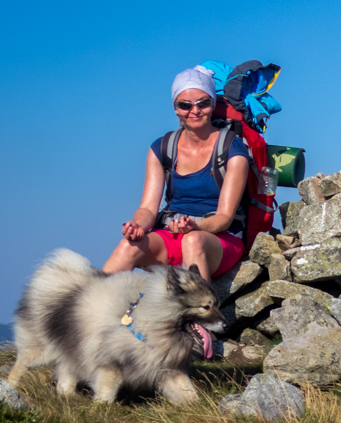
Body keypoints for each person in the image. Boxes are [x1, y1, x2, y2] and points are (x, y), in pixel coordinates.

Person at [103, 67, 249, 281]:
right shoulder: (162, 148)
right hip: (173, 234)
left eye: (203, 103)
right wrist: (138, 226)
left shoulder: (232, 150)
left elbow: (224, 218)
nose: (195, 111)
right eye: (185, 105)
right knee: (128, 246)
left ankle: (197, 314)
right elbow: (147, 208)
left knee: (193, 241)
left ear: (213, 104)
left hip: (220, 240)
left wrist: (195, 226)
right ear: (175, 108)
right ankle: (87, 310)